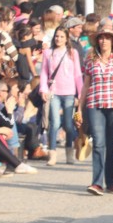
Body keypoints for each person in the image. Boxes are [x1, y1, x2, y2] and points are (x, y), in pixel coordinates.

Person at [77, 26, 113, 196]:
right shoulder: (90, 59)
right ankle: (97, 183)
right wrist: (79, 107)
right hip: (95, 104)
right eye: (101, 38)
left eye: (107, 38)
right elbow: (86, 85)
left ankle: (112, 182)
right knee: (99, 144)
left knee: (111, 144)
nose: (104, 41)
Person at [39, 26, 83, 165]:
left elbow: (77, 74)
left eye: (62, 36)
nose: (58, 39)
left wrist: (80, 93)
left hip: (69, 92)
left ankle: (69, 152)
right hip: (54, 92)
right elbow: (44, 73)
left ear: (67, 38)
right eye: (57, 36)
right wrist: (43, 89)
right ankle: (52, 154)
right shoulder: (48, 52)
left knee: (69, 125)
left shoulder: (72, 52)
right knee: (55, 123)